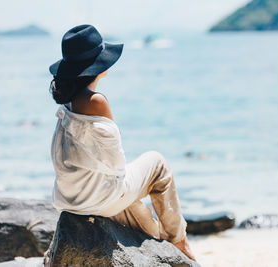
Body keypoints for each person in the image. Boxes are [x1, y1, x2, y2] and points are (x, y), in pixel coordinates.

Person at [48, 24, 195, 261]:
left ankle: (165, 249)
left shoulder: (67, 102)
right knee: (158, 164)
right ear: (97, 65)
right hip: (97, 198)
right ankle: (179, 241)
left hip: (71, 198)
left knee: (143, 220)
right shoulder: (96, 101)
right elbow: (116, 165)